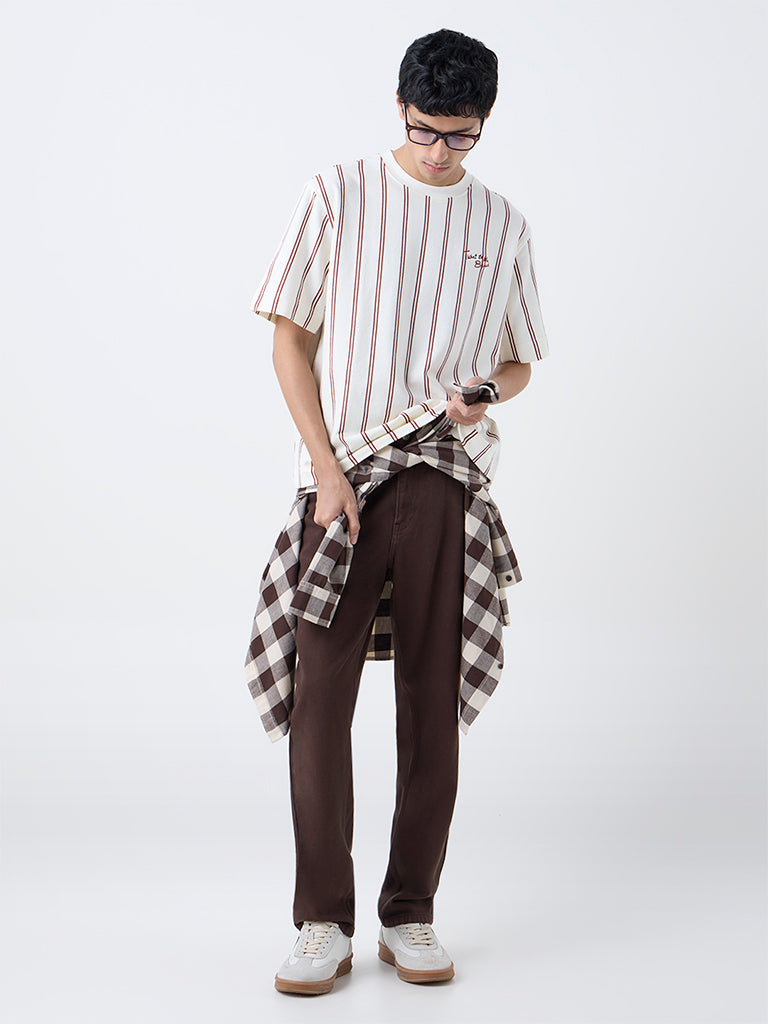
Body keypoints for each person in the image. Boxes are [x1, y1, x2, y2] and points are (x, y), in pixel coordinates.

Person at [243, 27, 550, 995]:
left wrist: (486, 394)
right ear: (401, 109)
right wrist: (326, 470)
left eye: (460, 136)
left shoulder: (502, 223)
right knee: (319, 695)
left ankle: (411, 911)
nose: (439, 152)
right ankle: (320, 921)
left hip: (443, 473)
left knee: (429, 695)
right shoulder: (338, 193)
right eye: (425, 130)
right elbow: (288, 340)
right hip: (343, 476)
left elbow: (520, 359)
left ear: (483, 124)